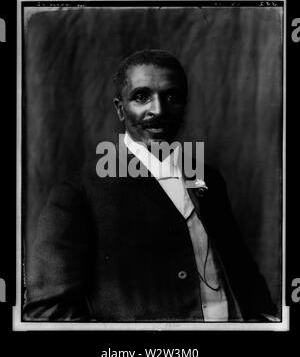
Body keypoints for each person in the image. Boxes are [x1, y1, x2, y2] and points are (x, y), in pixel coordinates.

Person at [23, 49, 277, 322]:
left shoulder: (208, 177)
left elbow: (242, 271)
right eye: (142, 97)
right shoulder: (76, 194)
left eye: (172, 96)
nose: (158, 109)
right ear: (121, 109)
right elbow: (48, 313)